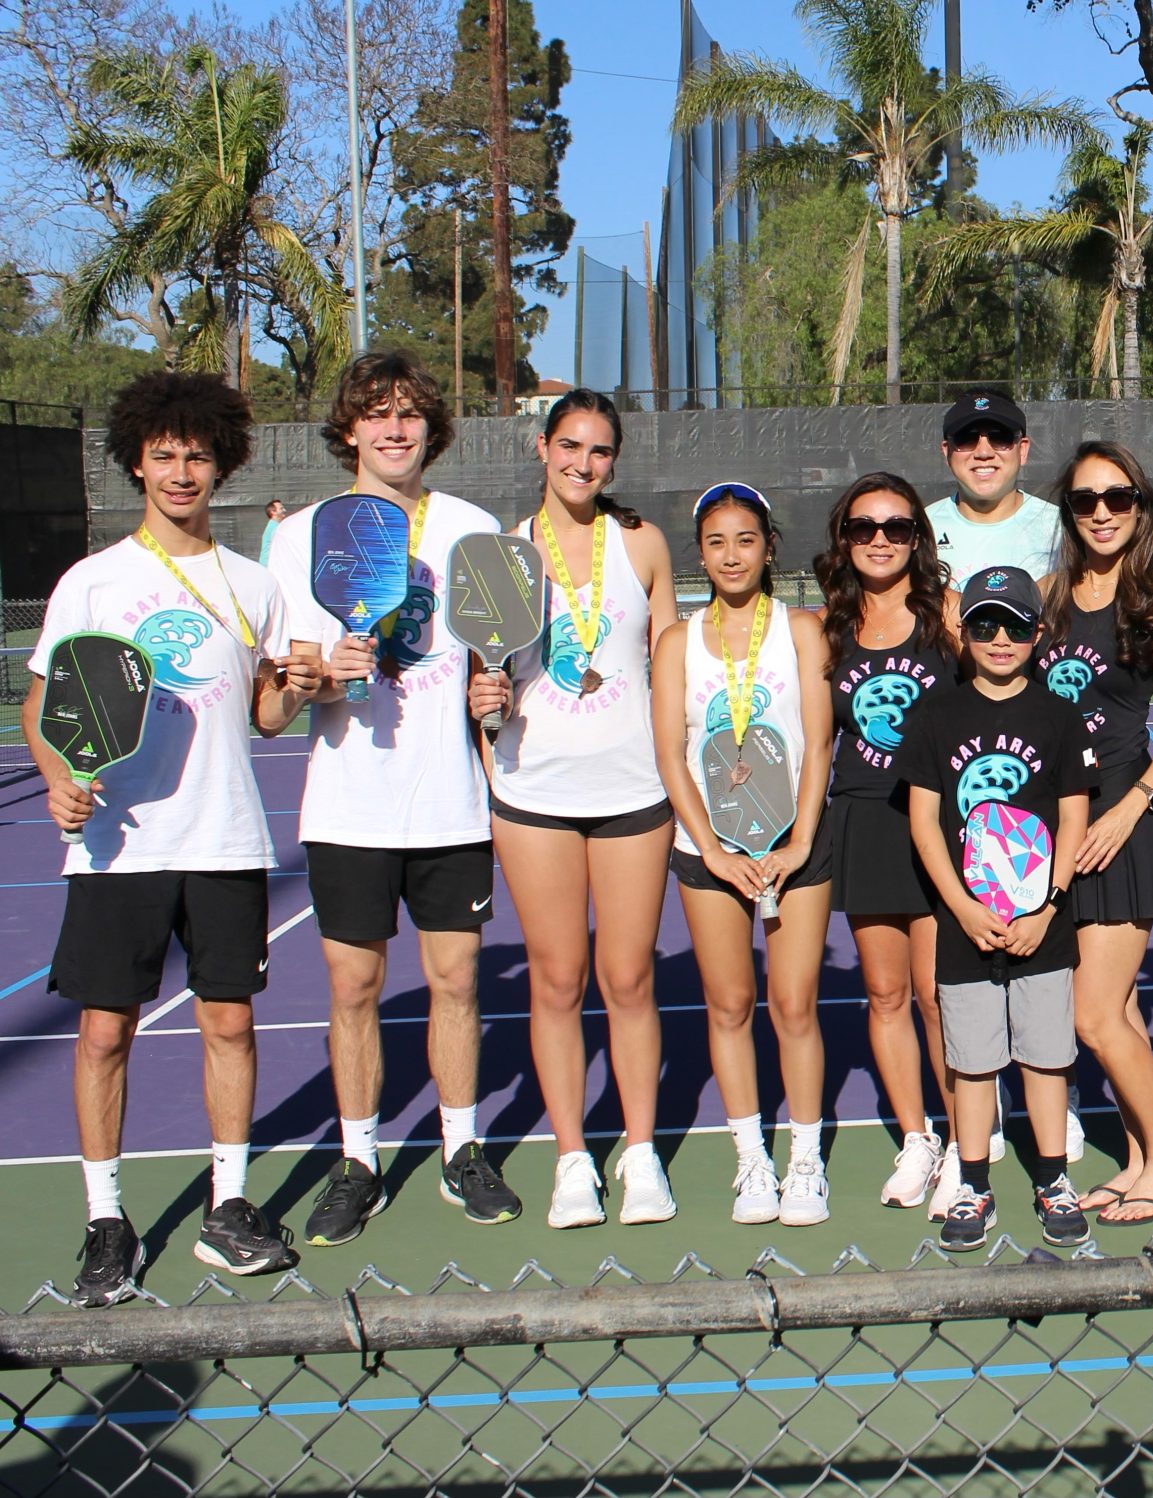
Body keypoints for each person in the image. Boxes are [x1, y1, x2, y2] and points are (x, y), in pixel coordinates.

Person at [27, 372, 318, 1305]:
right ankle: (106, 1219)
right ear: (138, 464)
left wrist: (299, 688)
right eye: (165, 454)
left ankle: (228, 1209)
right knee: (104, 1033)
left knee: (228, 1023)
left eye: (197, 454)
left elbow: (268, 714)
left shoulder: (252, 584)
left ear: (221, 463)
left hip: (226, 839)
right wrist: (57, 779)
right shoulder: (94, 581)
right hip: (119, 846)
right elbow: (46, 703)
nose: (182, 470)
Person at [266, 351, 519, 1246]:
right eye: (376, 412)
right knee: (355, 988)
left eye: (409, 412)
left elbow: (494, 664)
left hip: (450, 802)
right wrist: (326, 677)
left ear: (430, 428)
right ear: (349, 430)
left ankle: (461, 1150)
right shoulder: (300, 535)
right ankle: (360, 1161)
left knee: (456, 981)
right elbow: (291, 680)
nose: (395, 427)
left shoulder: (471, 526)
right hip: (347, 806)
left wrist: (495, 698)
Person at [467, 390, 678, 1229]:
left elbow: (672, 665)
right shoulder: (500, 552)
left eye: (598, 451)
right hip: (534, 794)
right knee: (557, 981)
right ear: (543, 449)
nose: (582, 463)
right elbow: (485, 678)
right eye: (569, 446)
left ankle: (640, 1155)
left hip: (634, 792)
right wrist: (485, 706)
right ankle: (570, 1161)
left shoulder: (644, 545)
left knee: (628, 979)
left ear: (613, 462)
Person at [654, 482, 836, 1226]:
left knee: (793, 1004)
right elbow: (670, 756)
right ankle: (750, 1160)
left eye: (747, 540)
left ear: (768, 549)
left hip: (796, 848)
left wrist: (798, 840)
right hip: (710, 853)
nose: (732, 555)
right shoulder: (676, 642)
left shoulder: (801, 630)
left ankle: (803, 1160)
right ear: (700, 552)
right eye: (717, 542)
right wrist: (713, 851)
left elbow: (820, 743)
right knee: (729, 1004)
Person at [900, 567, 1097, 1250]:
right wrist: (960, 906)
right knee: (974, 1060)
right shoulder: (935, 715)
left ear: (1038, 633)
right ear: (964, 631)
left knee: (1045, 1056)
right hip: (966, 923)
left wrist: (1048, 904)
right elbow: (924, 822)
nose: (1001, 638)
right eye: (986, 624)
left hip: (1042, 919)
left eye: (1016, 625)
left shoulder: (1059, 717)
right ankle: (973, 1184)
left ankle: (1051, 1179)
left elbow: (1073, 819)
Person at [1034, 441, 1153, 1226]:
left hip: (1126, 825)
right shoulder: (1049, 595)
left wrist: (1132, 804)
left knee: (1092, 1015)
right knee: (1121, 1011)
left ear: (1142, 504)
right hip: (1065, 824)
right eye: (1084, 500)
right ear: (1068, 512)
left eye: (1117, 497)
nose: (1102, 512)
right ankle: (1138, 1157)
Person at [811, 473, 962, 1212]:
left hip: (937, 826)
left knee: (940, 997)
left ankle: (966, 1143)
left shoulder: (950, 619)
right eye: (865, 527)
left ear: (916, 539)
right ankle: (917, 1138)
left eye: (896, 527)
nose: (880, 539)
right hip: (864, 819)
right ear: (845, 538)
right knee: (885, 991)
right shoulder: (825, 630)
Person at [925, 390, 1062, 583]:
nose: (983, 452)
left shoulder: (1060, 528)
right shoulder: (922, 530)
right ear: (947, 452)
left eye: (1000, 437)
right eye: (966, 438)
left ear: (1022, 450)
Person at [257, 498, 287, 566]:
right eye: (281, 508)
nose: (285, 510)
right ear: (273, 512)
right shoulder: (275, 529)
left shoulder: (276, 526)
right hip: (270, 566)